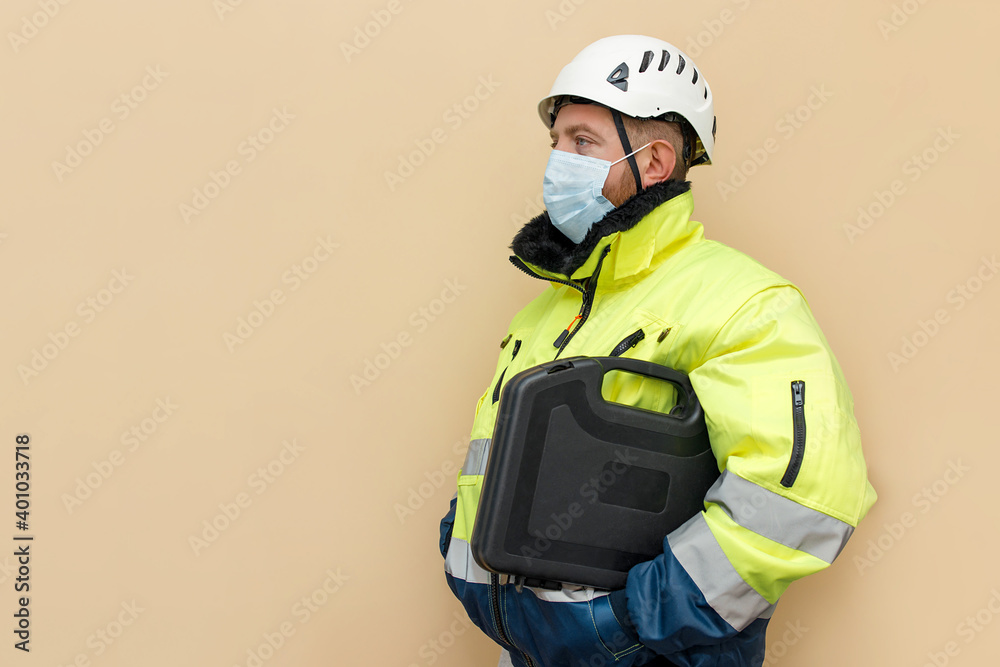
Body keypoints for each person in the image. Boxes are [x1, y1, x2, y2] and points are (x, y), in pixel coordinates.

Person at [438, 35, 876, 667]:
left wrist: (629, 622)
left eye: (583, 142)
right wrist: (461, 550)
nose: (558, 161)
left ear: (656, 162)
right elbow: (497, 464)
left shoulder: (744, 303)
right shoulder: (548, 311)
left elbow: (801, 500)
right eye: (556, 141)